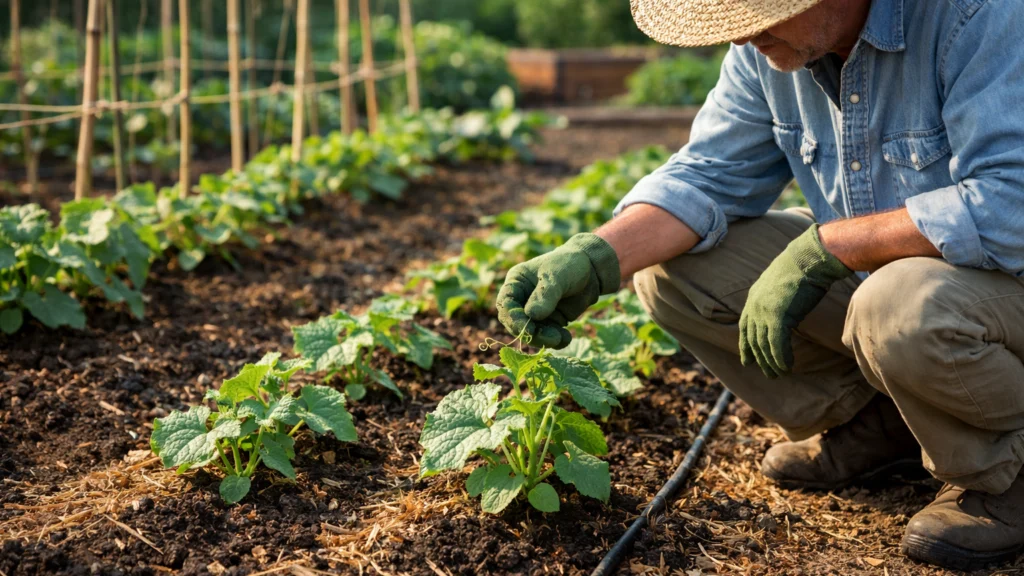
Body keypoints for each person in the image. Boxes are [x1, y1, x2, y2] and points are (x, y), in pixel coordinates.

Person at [495, 0, 1024, 570]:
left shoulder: (981, 18)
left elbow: (1010, 203)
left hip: (1003, 289)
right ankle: (887, 424)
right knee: (675, 269)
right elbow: (708, 173)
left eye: (762, 13)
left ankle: (1005, 471)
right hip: (905, 290)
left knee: (898, 306)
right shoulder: (773, 49)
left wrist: (831, 247)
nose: (744, 36)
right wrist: (596, 256)